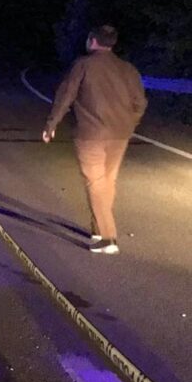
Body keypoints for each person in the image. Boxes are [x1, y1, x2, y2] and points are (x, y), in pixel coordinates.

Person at [43, 25, 146, 255]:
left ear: (92, 40)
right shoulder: (128, 68)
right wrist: (129, 123)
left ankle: (108, 237)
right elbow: (140, 102)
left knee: (96, 182)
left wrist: (52, 124)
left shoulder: (84, 65)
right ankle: (98, 229)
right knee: (107, 181)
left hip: (91, 134)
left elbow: (66, 95)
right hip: (120, 134)